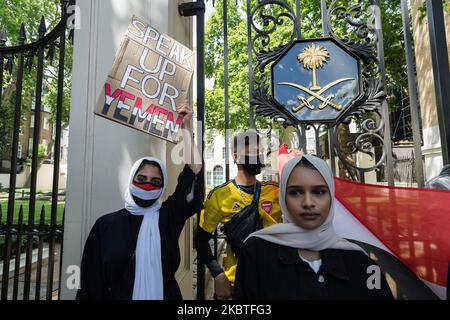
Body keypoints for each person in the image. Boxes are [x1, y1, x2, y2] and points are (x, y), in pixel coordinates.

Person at [76, 102, 203, 300]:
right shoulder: (105, 225)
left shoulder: (168, 217)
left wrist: (186, 129)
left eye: (155, 181)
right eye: (141, 179)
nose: (147, 185)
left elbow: (194, 173)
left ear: (162, 186)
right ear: (131, 180)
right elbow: (90, 284)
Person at [234, 155, 394, 300]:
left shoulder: (361, 263)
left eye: (319, 192)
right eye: (295, 193)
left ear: (331, 195)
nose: (308, 203)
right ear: (283, 198)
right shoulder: (257, 252)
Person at [196, 130, 282, 300]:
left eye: (260, 152)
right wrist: (218, 274)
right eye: (251, 153)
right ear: (236, 157)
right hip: (237, 283)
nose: (258, 157)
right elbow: (200, 239)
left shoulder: (275, 191)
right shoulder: (219, 195)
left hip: (274, 279)